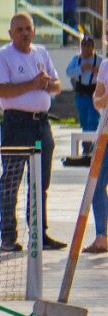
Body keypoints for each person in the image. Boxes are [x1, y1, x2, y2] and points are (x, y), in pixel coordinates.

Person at [0, 13, 68, 252]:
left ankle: (39, 234)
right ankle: (8, 236)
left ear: (34, 31)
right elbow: (0, 90)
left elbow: (57, 85)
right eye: (19, 30)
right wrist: (31, 84)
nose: (24, 34)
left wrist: (46, 84)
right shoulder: (3, 56)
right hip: (17, 124)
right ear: (10, 34)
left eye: (28, 29)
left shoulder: (41, 53)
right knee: (12, 179)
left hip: (41, 124)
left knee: (40, 182)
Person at [86, 53, 108, 254]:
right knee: (96, 183)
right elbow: (97, 101)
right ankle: (102, 236)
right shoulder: (105, 66)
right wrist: (104, 98)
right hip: (106, 132)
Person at [68, 36, 102, 143]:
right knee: (83, 120)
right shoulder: (76, 59)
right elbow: (68, 72)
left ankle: (91, 144)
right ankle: (86, 145)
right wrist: (81, 69)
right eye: (83, 46)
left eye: (88, 46)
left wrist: (98, 71)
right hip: (81, 93)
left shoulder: (99, 60)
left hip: (94, 92)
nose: (86, 49)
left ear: (93, 47)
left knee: (92, 119)